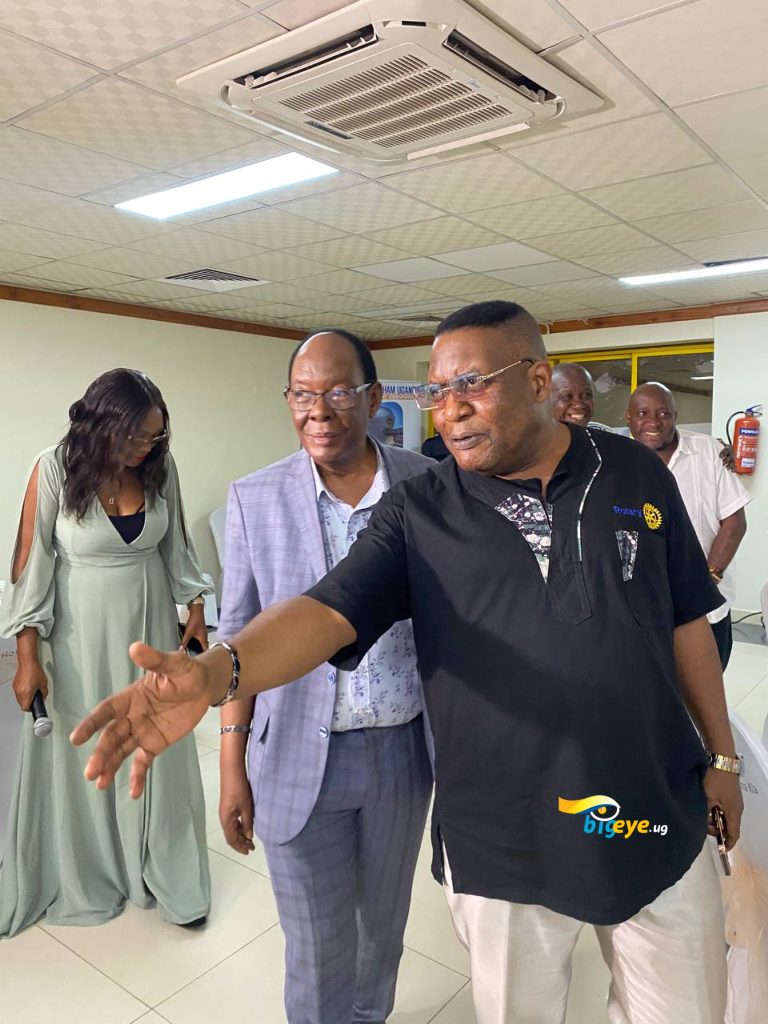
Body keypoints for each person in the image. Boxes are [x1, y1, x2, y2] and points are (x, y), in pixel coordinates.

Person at [72, 303, 743, 1024]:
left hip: (652, 807)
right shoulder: (420, 508)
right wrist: (218, 671)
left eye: (473, 383)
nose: (450, 409)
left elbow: (686, 619)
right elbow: (325, 611)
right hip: (504, 835)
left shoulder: (633, 471)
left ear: (538, 380)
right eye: (437, 391)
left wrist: (723, 758)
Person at [217, 330, 432, 1024]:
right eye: (303, 395)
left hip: (402, 752)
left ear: (373, 398)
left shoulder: (430, 487)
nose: (319, 411)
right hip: (292, 753)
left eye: (338, 392)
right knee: (316, 948)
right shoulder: (255, 498)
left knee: (382, 935)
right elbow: (237, 639)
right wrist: (231, 767)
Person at [0, 368, 211, 937]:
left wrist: (195, 605)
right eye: (137, 435)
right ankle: (89, 871)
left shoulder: (160, 468)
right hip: (77, 640)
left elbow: (177, 548)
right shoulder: (54, 467)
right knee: (86, 750)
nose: (147, 446)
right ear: (102, 425)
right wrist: (27, 656)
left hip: (149, 632)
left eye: (155, 435)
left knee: (154, 748)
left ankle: (163, 867)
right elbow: (29, 566)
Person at [626, 382, 749, 669]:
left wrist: (706, 582)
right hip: (643, 611)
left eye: (663, 413)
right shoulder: (618, 460)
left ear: (675, 416)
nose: (653, 422)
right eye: (643, 413)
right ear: (628, 418)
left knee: (706, 688)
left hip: (705, 609)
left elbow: (734, 524)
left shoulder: (709, 453)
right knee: (654, 688)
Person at [550, 362, 611, 430]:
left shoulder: (603, 435)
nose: (579, 405)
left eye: (587, 395)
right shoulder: (540, 436)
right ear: (545, 402)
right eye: (566, 396)